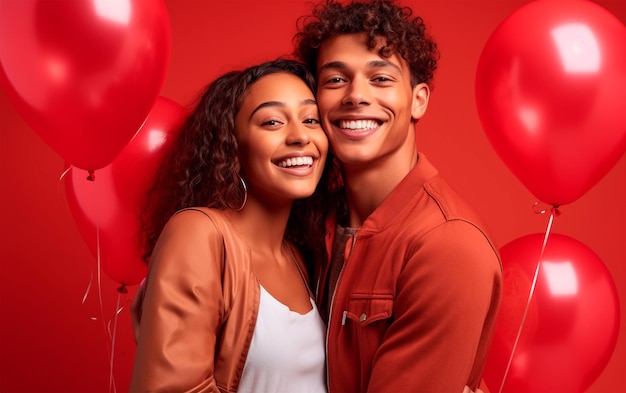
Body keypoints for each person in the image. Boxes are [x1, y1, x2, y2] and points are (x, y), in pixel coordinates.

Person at [293, 0, 503, 392]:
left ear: (418, 100)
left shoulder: (447, 246)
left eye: (381, 79)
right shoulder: (305, 221)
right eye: (335, 79)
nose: (355, 95)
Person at [129, 59, 332, 392]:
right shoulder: (198, 234)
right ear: (231, 144)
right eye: (272, 122)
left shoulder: (301, 258)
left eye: (311, 119)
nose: (300, 136)